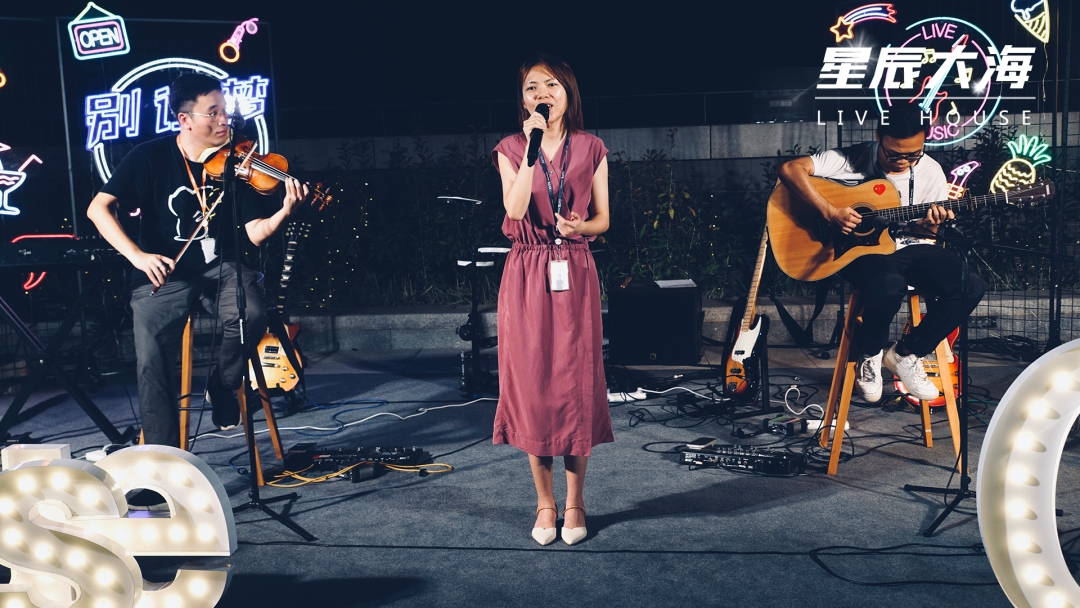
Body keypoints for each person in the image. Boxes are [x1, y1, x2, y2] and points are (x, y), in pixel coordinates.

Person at [87, 74, 310, 448]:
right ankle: (164, 456)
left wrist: (285, 210)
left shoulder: (238, 162)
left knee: (252, 313)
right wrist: (137, 256)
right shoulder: (150, 156)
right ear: (185, 119)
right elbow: (98, 209)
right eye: (213, 113)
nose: (225, 121)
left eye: (225, 111)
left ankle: (223, 382)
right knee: (151, 359)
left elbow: (255, 232)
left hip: (220, 268)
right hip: (164, 273)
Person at [777, 104, 985, 403]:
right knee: (888, 283)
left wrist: (931, 224)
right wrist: (829, 211)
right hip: (856, 251)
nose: (904, 162)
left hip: (911, 248)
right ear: (878, 138)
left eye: (913, 154)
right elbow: (789, 169)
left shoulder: (930, 171)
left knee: (970, 284)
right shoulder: (850, 158)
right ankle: (870, 354)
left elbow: (926, 235)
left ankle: (906, 354)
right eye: (894, 154)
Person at [491, 54, 613, 546]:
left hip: (575, 269)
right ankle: (545, 503)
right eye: (532, 87)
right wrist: (531, 147)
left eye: (552, 85)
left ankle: (576, 501)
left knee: (576, 387)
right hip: (526, 272)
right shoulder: (509, 148)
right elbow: (516, 207)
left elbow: (604, 219)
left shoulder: (592, 147)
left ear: (568, 91)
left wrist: (581, 227)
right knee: (534, 387)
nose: (542, 93)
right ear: (523, 100)